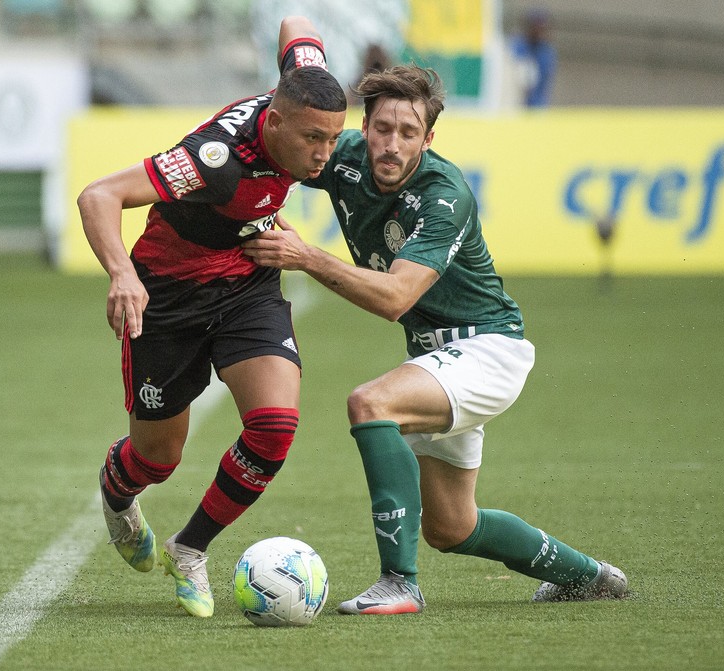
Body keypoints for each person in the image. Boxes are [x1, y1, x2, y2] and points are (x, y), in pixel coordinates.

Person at [242, 64, 627, 613]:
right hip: (434, 355)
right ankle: (590, 577)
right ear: (363, 128)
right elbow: (278, 145)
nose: (392, 144)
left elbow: (396, 297)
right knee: (452, 527)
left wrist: (306, 256)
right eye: (382, 129)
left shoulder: (445, 195)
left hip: (488, 349)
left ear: (428, 138)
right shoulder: (344, 155)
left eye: (408, 132)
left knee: (371, 404)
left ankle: (399, 583)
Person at [76, 16, 346, 618]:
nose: (323, 155)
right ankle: (117, 490)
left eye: (333, 139)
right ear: (274, 122)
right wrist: (122, 275)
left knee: (274, 425)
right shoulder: (212, 160)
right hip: (168, 297)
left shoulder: (303, 89)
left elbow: (295, 22)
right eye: (313, 139)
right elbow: (99, 195)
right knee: (157, 459)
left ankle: (190, 546)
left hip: (247, 284)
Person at [509, 8, 557, 108]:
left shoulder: (547, 53)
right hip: (513, 104)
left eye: (543, 28)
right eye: (536, 27)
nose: (539, 31)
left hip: (536, 105)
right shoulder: (515, 47)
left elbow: (542, 84)